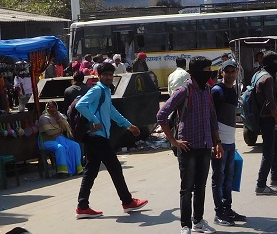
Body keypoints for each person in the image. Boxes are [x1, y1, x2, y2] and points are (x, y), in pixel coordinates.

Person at [156, 56, 222, 234]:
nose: (209, 74)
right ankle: (185, 225)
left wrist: (217, 142)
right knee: (187, 189)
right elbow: (161, 115)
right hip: (187, 147)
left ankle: (198, 221)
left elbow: (213, 118)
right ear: (195, 73)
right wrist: (173, 140)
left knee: (201, 186)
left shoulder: (207, 90)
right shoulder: (183, 91)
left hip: (205, 145)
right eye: (206, 71)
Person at [74, 63, 148, 219]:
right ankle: (127, 201)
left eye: (110, 74)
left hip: (96, 137)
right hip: (97, 136)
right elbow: (81, 105)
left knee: (91, 171)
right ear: (99, 75)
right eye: (105, 74)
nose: (108, 77)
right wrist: (94, 120)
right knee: (115, 168)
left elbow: (112, 112)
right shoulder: (97, 90)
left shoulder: (105, 91)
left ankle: (82, 207)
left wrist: (129, 126)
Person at [210, 60, 246, 227]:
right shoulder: (217, 91)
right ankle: (219, 213)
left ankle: (228, 209)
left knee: (228, 178)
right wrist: (216, 142)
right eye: (228, 71)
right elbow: (211, 118)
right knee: (219, 178)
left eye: (233, 71)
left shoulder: (233, 90)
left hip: (230, 142)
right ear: (221, 73)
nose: (231, 74)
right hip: (220, 143)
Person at [254, 51, 277, 195]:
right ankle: (261, 185)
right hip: (267, 118)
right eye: (276, 63)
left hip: (261, 117)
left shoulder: (258, 74)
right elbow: (270, 103)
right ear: (270, 63)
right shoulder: (268, 78)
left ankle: (275, 178)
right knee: (268, 151)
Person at [38, 101, 83, 176]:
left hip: (61, 139)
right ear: (46, 108)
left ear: (56, 108)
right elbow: (50, 133)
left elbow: (66, 129)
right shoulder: (43, 118)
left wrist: (58, 118)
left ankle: (77, 169)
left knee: (75, 145)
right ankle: (62, 172)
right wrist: (60, 130)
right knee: (60, 148)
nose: (51, 109)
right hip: (47, 141)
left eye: (53, 107)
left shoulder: (60, 116)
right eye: (49, 107)